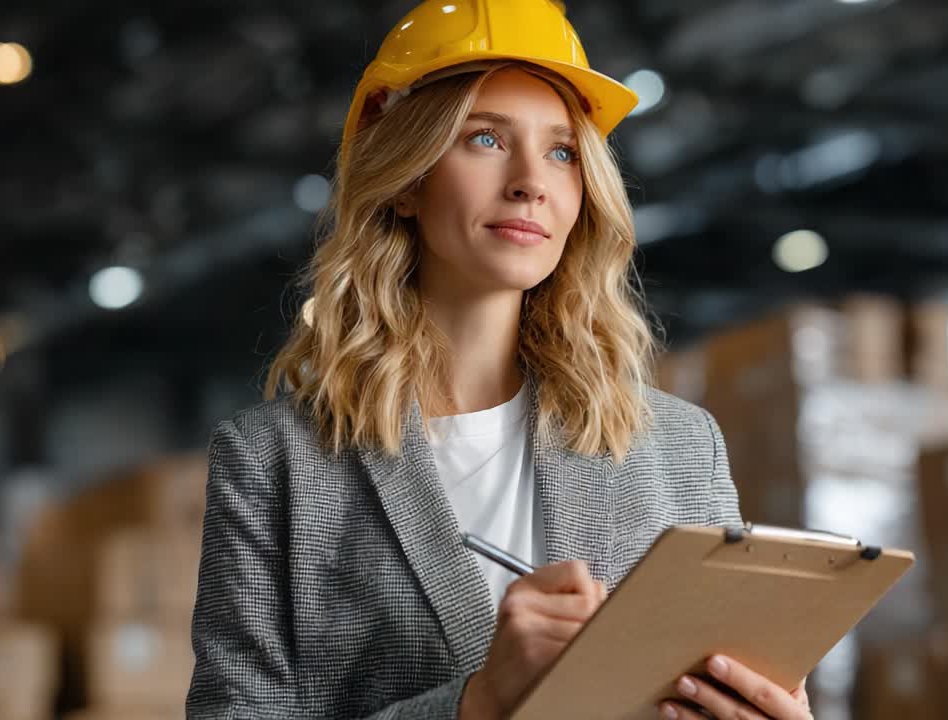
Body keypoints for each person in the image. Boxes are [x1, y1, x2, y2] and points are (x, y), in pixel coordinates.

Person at [185, 1, 813, 719]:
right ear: (408, 179)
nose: (530, 182)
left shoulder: (678, 447)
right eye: (484, 140)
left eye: (562, 151)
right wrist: (476, 705)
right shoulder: (273, 463)